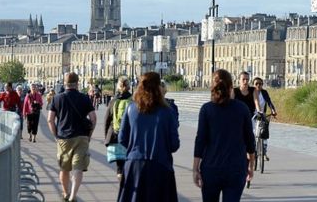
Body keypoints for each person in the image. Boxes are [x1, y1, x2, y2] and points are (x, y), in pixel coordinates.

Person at [193, 69, 256, 202]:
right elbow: (250, 140)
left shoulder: (206, 109)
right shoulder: (242, 109)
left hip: (211, 168)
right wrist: (251, 165)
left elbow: (200, 140)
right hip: (236, 168)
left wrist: (195, 169)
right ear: (231, 87)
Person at [117, 72, 180, 202]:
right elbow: (174, 144)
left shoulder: (131, 108)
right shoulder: (168, 111)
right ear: (158, 88)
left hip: (134, 165)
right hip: (160, 165)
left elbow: (122, 138)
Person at [47, 72, 96, 202]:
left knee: (64, 168)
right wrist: (89, 135)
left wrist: (56, 136)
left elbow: (50, 120)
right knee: (78, 168)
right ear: (77, 83)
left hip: (64, 138)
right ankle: (73, 195)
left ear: (65, 83)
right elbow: (93, 119)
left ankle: (65, 192)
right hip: (81, 137)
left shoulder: (57, 98)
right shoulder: (85, 98)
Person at [104, 76, 132, 181]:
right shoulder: (133, 100)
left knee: (119, 165)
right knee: (128, 160)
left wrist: (106, 137)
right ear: (129, 86)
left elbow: (107, 120)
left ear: (118, 87)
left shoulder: (113, 101)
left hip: (115, 135)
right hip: (129, 136)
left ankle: (120, 178)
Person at [252, 77, 277, 161]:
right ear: (253, 85)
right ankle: (253, 150)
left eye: (260, 84)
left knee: (264, 133)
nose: (258, 85)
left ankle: (264, 152)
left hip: (262, 115)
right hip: (253, 115)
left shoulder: (264, 92)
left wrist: (273, 110)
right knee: (253, 133)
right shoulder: (251, 92)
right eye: (256, 84)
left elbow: (269, 102)